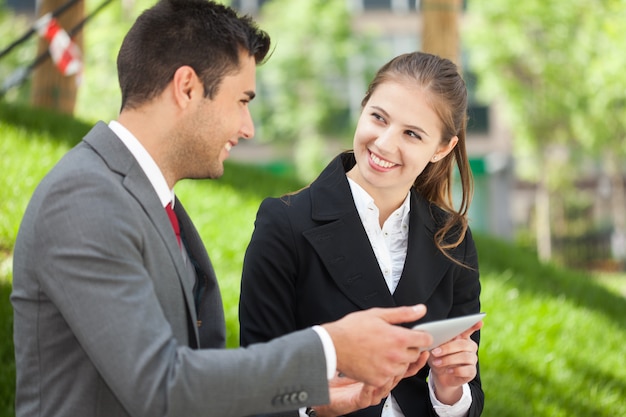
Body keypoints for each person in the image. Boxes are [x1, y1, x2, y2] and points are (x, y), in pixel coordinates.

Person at [10, 3, 436, 417]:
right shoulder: (85, 200)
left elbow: (193, 382)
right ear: (187, 88)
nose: (247, 127)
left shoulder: (145, 200)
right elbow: (162, 388)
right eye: (242, 100)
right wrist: (330, 347)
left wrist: (313, 403)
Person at [239, 51, 484, 417]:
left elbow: (470, 397)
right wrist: (318, 406)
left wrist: (450, 390)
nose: (384, 143)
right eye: (378, 117)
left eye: (412, 134)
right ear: (363, 107)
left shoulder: (452, 240)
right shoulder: (285, 224)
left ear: (442, 148)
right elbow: (258, 382)